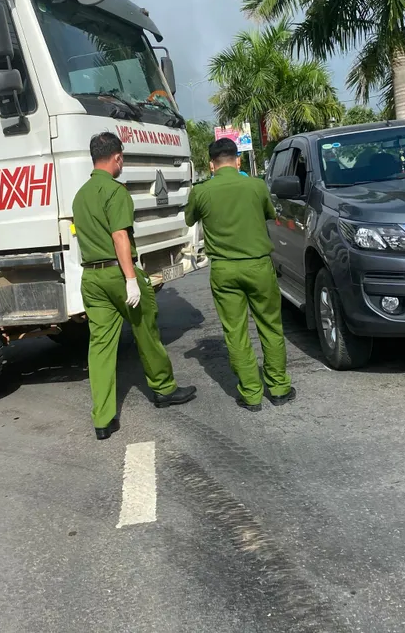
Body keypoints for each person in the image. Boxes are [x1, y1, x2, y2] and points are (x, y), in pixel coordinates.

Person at [72, 132, 196, 439]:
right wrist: (131, 280)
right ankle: (163, 390)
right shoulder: (115, 193)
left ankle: (103, 419)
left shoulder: (80, 195)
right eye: (122, 158)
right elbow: (119, 237)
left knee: (100, 347)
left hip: (91, 277)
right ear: (116, 157)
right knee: (146, 332)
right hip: (117, 274)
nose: (122, 162)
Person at [184, 137, 294, 412]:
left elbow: (189, 219)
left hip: (224, 269)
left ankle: (251, 394)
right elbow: (270, 214)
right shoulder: (256, 186)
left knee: (235, 332)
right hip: (258, 265)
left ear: (211, 165)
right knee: (270, 326)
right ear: (238, 160)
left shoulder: (201, 191)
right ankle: (278, 388)